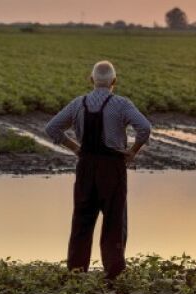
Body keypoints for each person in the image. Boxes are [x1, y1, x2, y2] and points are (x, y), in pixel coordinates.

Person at [45, 60, 151, 279]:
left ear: (91, 80)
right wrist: (133, 152)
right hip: (113, 168)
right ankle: (114, 276)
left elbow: (52, 128)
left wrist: (75, 148)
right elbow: (145, 128)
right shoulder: (121, 104)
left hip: (86, 167)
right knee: (114, 221)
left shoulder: (78, 104)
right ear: (115, 81)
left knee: (82, 220)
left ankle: (76, 274)